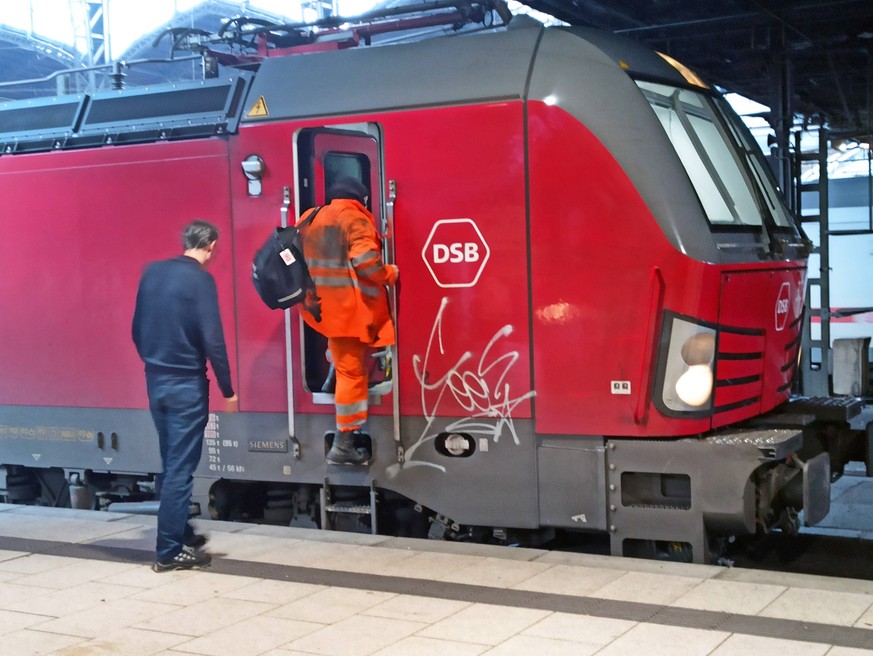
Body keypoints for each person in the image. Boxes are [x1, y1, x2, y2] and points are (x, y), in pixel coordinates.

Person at [132, 220, 238, 572]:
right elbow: (213, 340)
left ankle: (181, 530)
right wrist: (229, 390)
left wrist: (155, 362)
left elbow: (137, 330)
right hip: (186, 387)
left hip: (156, 382)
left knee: (170, 461)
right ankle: (168, 551)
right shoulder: (201, 280)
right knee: (181, 468)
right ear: (210, 246)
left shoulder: (152, 272)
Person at [298, 177, 399, 466]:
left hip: (318, 309)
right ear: (361, 199)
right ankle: (345, 442)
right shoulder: (355, 219)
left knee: (343, 360)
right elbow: (366, 263)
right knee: (353, 374)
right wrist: (390, 273)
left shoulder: (310, 216)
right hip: (347, 311)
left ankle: (331, 381)